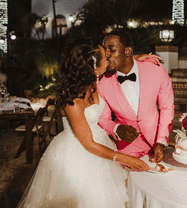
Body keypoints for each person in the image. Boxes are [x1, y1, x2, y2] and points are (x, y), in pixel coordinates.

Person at [17, 38, 150, 208]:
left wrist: (137, 57)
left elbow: (115, 63)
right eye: (105, 57)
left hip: (100, 144)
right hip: (78, 154)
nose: (109, 58)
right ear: (94, 68)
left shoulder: (93, 82)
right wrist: (127, 159)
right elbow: (87, 143)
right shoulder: (72, 98)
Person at [98, 30, 175, 163]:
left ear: (127, 51)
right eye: (105, 50)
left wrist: (161, 141)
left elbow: (167, 107)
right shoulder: (102, 83)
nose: (107, 55)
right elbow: (102, 118)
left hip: (155, 144)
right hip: (125, 148)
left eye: (112, 50)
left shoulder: (156, 70)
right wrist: (117, 128)